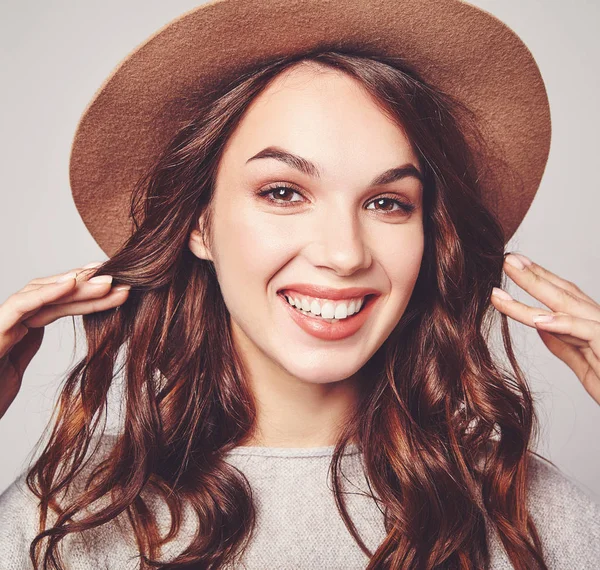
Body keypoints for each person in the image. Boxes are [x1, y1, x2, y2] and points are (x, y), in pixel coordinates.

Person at [0, 0, 599, 568]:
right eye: (283, 192)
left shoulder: (528, 515)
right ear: (200, 225)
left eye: (388, 202)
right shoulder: (68, 518)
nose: (343, 254)